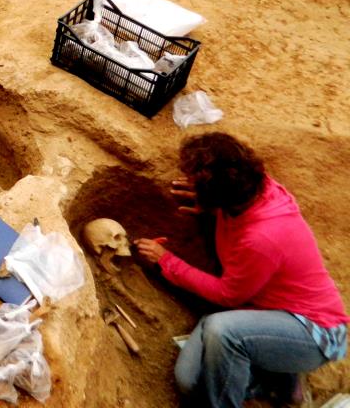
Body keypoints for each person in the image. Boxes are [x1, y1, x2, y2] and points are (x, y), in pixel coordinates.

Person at [134, 133, 347, 408]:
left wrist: (167, 261)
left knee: (222, 331)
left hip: (313, 332)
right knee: (189, 380)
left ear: (220, 197)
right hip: (269, 311)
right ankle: (283, 383)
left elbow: (228, 295)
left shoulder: (262, 238)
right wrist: (208, 205)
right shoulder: (252, 189)